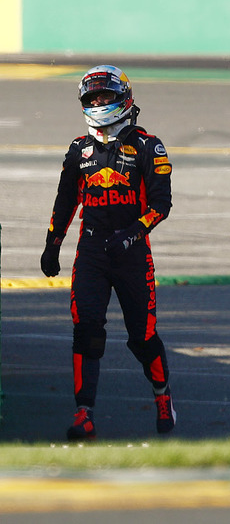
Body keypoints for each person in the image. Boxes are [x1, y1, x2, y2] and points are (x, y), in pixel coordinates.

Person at [40, 65, 176, 440]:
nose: (99, 103)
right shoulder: (78, 149)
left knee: (142, 337)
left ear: (124, 98)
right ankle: (84, 413)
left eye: (105, 96)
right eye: (92, 98)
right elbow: (65, 200)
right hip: (92, 251)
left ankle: (162, 397)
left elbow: (161, 206)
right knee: (86, 330)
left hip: (132, 255)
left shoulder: (149, 146)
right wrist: (53, 244)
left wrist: (132, 235)